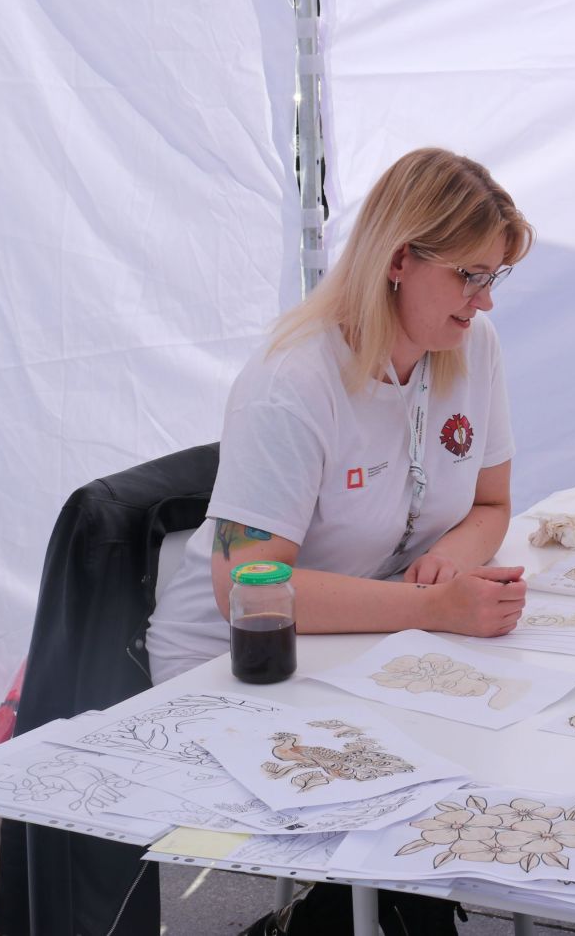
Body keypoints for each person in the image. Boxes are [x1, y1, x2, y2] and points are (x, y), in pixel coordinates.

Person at [146, 148, 533, 686]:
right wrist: (433, 607)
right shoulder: (292, 383)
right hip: (229, 662)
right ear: (399, 261)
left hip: (362, 641)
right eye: (471, 276)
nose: (485, 301)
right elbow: (247, 586)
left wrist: (449, 560)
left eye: (494, 277)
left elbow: (491, 503)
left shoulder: (472, 344)